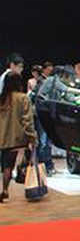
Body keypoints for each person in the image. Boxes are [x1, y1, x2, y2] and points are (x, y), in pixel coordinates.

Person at [0, 72, 37, 203]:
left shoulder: (2, 98)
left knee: (6, 165)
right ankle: (24, 187)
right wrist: (32, 137)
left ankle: (5, 190)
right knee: (18, 163)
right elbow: (27, 120)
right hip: (17, 138)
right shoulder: (23, 98)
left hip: (2, 137)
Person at [32, 61, 57, 175]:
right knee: (43, 141)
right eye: (49, 69)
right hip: (42, 115)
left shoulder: (51, 81)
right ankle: (42, 166)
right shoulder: (41, 81)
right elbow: (37, 97)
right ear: (45, 70)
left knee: (48, 142)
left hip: (49, 114)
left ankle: (48, 165)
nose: (51, 71)